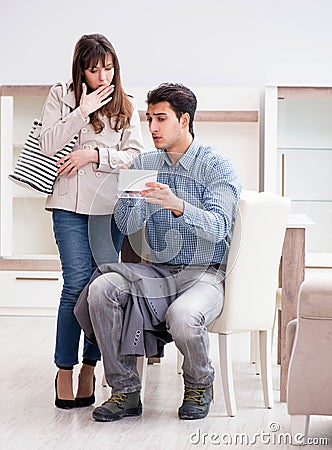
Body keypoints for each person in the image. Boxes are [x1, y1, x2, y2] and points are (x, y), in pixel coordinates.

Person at [87, 82, 241, 421]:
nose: (152, 128)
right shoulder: (144, 162)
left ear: (183, 120)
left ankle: (200, 383)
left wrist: (177, 205)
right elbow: (127, 225)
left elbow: (218, 227)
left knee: (183, 316)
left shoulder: (217, 166)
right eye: (149, 118)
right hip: (157, 269)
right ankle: (125, 390)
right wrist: (141, 199)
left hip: (206, 272)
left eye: (161, 119)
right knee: (102, 289)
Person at [39, 34, 144, 409]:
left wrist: (94, 154)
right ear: (80, 69)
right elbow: (47, 144)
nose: (103, 76)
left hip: (107, 210)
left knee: (100, 290)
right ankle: (64, 369)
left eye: (109, 67)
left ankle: (90, 365)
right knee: (75, 284)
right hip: (67, 205)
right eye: (95, 68)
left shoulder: (126, 104)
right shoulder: (61, 96)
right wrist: (80, 112)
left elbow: (135, 155)